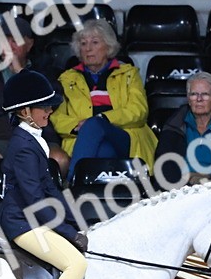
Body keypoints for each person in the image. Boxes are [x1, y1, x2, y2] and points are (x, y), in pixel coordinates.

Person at [0, 70, 88, 279]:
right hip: (21, 223)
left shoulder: (35, 139)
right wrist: (65, 231)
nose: (50, 110)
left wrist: (75, 222)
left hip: (33, 217)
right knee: (76, 264)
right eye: (44, 106)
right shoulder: (23, 145)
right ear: (25, 112)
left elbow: (51, 188)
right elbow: (35, 199)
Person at [0, 14, 70, 186]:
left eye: (15, 41)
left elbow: (52, 101)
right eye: (6, 40)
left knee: (60, 160)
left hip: (39, 139)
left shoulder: (44, 70)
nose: (10, 46)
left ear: (29, 44)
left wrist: (22, 73)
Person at [50, 19, 158, 177]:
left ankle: (73, 180)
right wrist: (77, 127)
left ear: (108, 47)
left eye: (94, 42)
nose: (88, 49)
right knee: (103, 149)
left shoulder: (128, 74)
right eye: (83, 43)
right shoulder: (67, 79)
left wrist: (103, 119)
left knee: (95, 124)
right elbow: (57, 117)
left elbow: (138, 110)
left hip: (123, 136)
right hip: (83, 139)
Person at [153, 72, 211, 186]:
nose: (199, 99)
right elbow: (164, 166)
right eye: (194, 94)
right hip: (179, 190)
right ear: (188, 99)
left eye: (205, 94)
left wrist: (208, 182)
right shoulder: (173, 126)